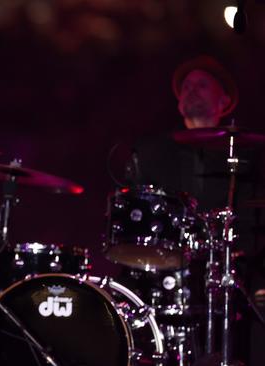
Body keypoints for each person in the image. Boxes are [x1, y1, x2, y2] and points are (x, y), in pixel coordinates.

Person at [127, 55, 264, 365]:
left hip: (231, 270)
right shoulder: (154, 152)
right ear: (178, 105)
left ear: (224, 101)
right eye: (186, 87)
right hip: (164, 269)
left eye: (202, 85)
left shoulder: (245, 157)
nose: (191, 90)